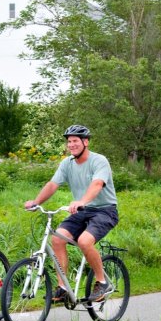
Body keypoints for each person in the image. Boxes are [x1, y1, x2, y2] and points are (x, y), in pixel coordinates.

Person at [24, 124, 119, 303]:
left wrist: (82, 201)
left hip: (105, 210)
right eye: (69, 141)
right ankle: (63, 288)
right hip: (82, 211)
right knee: (57, 239)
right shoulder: (67, 163)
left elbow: (97, 184)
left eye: (75, 141)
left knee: (84, 241)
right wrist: (36, 202)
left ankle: (102, 281)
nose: (71, 145)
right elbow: (53, 184)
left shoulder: (99, 161)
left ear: (86, 142)